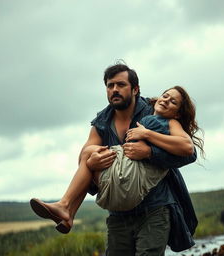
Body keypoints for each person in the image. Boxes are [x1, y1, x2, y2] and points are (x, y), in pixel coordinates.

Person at [31, 63, 203, 255]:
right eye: (110, 85)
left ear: (135, 89)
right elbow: (84, 159)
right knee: (88, 154)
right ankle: (66, 209)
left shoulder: (153, 112)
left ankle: (65, 208)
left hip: (154, 208)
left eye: (120, 85)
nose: (114, 90)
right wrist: (92, 162)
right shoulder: (102, 122)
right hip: (119, 212)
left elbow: (189, 153)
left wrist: (149, 152)